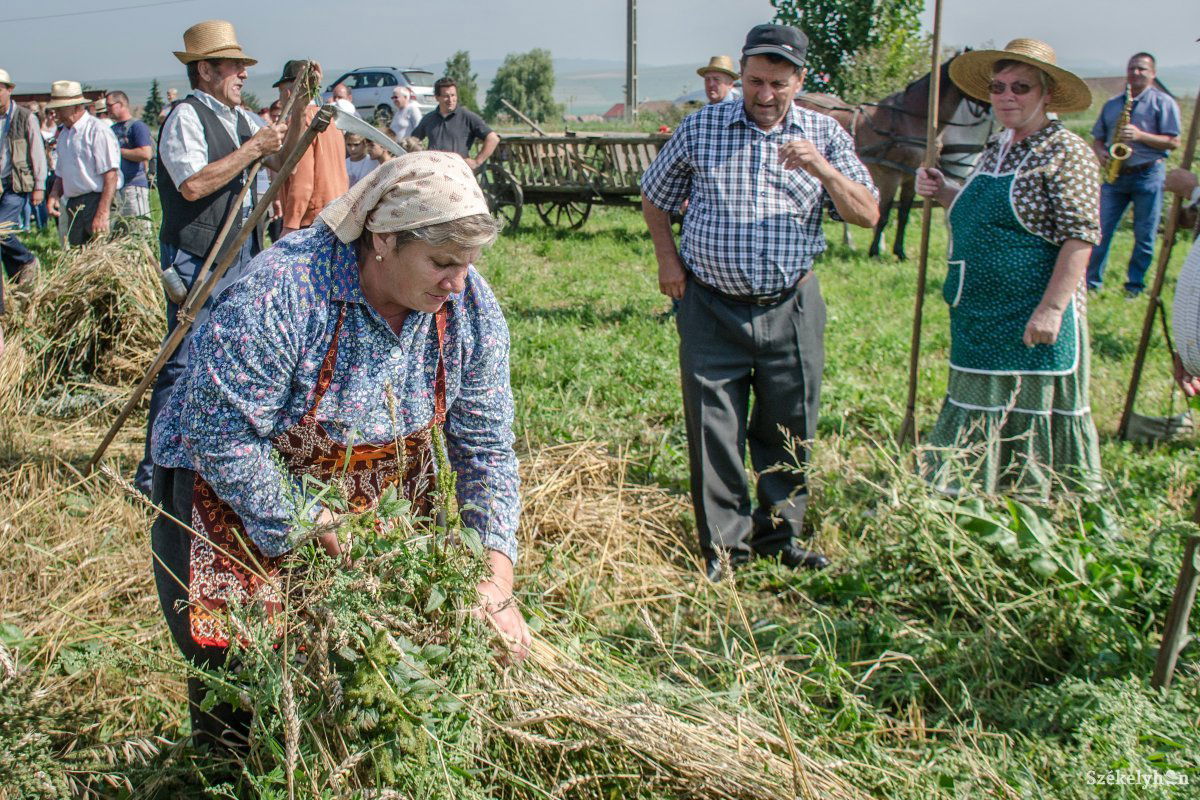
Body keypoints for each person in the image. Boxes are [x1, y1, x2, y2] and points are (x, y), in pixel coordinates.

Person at [149, 151, 528, 751]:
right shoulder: (286, 291)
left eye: (469, 263)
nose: (458, 284)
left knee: (367, 692)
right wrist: (302, 518)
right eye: (442, 263)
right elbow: (219, 434)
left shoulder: (469, 311)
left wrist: (495, 575)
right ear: (382, 240)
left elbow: (486, 451)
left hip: (374, 510)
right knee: (247, 706)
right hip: (233, 499)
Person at [641, 24, 879, 581]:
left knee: (789, 422)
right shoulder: (702, 127)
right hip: (709, 304)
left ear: (799, 80)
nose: (764, 95)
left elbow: (867, 214)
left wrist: (822, 168)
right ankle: (725, 550)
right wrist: (667, 260)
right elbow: (655, 196)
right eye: (754, 81)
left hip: (791, 304)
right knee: (712, 429)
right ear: (741, 75)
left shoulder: (824, 134)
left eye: (777, 83)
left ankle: (780, 536)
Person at [915, 39, 1102, 497]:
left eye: (1021, 87)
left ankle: (1036, 514)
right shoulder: (998, 146)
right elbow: (988, 214)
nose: (1007, 96)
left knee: (1025, 423)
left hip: (1029, 319)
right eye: (998, 87)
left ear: (1047, 94)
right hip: (980, 315)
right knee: (976, 408)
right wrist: (945, 192)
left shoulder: (1065, 152)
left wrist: (1052, 309)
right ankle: (971, 505)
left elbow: (1081, 237)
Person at [134, 19, 309, 495]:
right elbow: (193, 185)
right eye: (234, 66)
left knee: (237, 353)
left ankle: (214, 454)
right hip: (200, 254)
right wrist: (253, 147)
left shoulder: (242, 118)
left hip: (243, 250)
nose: (243, 74)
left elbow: (279, 161)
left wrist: (293, 122)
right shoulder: (185, 117)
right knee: (184, 359)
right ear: (205, 70)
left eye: (243, 66)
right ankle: (156, 472)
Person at [1086, 53, 1181, 297]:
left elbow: (1174, 142)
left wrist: (1140, 136)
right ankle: (1090, 284)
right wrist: (1101, 153)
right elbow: (1098, 138)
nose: (1136, 73)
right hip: (1116, 176)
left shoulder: (1164, 102)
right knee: (1098, 230)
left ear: (1153, 73)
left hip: (1148, 173)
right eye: (1132, 68)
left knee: (1144, 234)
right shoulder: (1113, 104)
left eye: (1141, 69)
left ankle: (1134, 287)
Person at [273, 59, 348, 236]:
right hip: (337, 212)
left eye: (281, 92)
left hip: (312, 220)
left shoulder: (301, 121)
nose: (279, 100)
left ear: (289, 92)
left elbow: (302, 179)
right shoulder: (330, 118)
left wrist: (290, 224)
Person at [45, 80, 120, 247]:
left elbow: (111, 176)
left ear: (75, 107)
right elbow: (61, 173)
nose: (55, 112)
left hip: (97, 200)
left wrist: (102, 213)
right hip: (74, 204)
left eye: (59, 107)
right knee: (79, 257)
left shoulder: (97, 131)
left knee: (102, 256)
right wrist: (54, 194)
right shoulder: (64, 135)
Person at [0, 68, 47, 292]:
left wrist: (39, 186)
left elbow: (37, 152)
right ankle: (16, 277)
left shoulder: (24, 116)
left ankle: (27, 259)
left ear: (9, 90)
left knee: (1, 230)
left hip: (15, 184)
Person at [412, 77, 498, 170]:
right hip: (434, 172)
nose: (450, 100)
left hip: (459, 172)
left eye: (453, 95)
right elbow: (413, 141)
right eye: (446, 96)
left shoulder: (467, 117)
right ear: (437, 97)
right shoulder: (428, 118)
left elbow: (493, 138)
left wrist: (477, 162)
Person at [105, 90, 153, 234]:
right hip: (117, 188)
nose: (107, 109)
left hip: (134, 186)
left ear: (120, 104)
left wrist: (118, 151)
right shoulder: (112, 129)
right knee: (122, 233)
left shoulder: (136, 126)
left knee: (140, 230)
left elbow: (146, 153)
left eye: (109, 105)